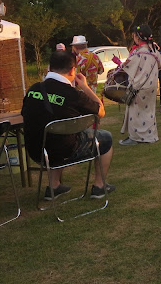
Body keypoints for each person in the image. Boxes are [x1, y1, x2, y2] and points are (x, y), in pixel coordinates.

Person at [21, 50, 115, 199]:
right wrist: (84, 86)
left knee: (53, 135)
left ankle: (54, 186)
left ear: (49, 68)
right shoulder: (74, 95)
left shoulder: (32, 90)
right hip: (65, 149)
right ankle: (99, 186)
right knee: (106, 138)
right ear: (72, 70)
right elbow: (101, 112)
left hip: (35, 150)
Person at [119, 25, 161, 146]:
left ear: (138, 37)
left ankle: (135, 137)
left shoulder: (138, 53)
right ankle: (150, 136)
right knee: (149, 111)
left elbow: (127, 67)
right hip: (151, 86)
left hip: (139, 86)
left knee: (135, 112)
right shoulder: (154, 51)